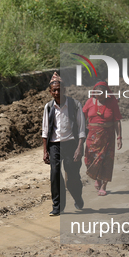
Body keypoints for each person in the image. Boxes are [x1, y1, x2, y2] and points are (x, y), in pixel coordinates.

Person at [42, 72, 86, 216]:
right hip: (55, 145)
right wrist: (45, 151)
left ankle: (78, 197)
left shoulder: (75, 105)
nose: (56, 92)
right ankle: (57, 206)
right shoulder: (48, 108)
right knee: (55, 174)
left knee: (72, 176)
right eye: (54, 90)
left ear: (64, 90)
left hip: (71, 145)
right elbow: (45, 130)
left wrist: (80, 148)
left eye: (59, 89)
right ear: (50, 92)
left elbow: (81, 129)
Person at [83, 81, 123, 196]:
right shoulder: (89, 102)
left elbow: (117, 121)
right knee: (89, 159)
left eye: (101, 93)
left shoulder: (112, 102)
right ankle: (97, 178)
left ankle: (104, 185)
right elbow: (81, 118)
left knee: (107, 160)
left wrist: (119, 137)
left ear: (106, 93)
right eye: (96, 92)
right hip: (92, 136)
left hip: (108, 136)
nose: (98, 95)